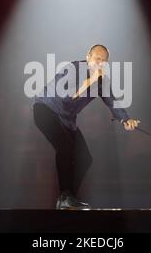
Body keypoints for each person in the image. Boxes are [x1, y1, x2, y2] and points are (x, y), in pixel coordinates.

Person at [32, 44, 140, 210]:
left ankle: (67, 199)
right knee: (65, 147)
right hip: (45, 110)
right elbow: (66, 98)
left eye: (104, 61)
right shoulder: (73, 69)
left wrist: (126, 120)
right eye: (97, 59)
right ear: (88, 57)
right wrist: (90, 80)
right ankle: (65, 198)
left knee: (85, 158)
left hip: (66, 119)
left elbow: (112, 102)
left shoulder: (102, 81)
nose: (100, 64)